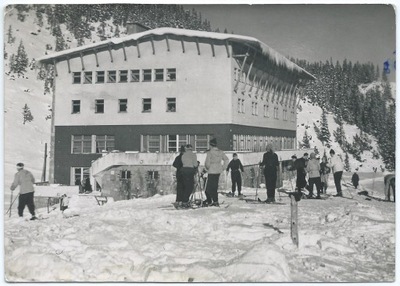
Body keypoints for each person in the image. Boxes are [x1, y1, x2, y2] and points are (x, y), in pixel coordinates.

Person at [204, 138, 229, 207]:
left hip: (211, 170)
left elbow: (207, 163)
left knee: (208, 188)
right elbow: (226, 159)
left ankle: (210, 201)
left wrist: (206, 168)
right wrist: (223, 167)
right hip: (218, 170)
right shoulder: (221, 152)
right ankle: (215, 200)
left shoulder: (210, 152)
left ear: (211, 145)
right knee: (214, 186)